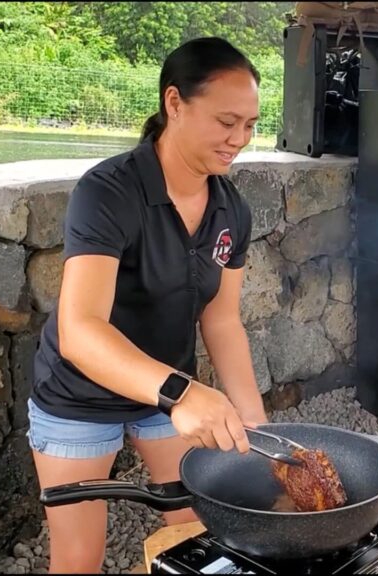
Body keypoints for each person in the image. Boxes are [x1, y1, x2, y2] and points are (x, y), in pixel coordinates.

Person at [27, 37, 268, 573]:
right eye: (227, 121)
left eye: (250, 125)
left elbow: (222, 320)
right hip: (80, 396)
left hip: (168, 394)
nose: (239, 140)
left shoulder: (232, 209)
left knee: (201, 538)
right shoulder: (108, 191)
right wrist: (182, 394)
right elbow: (80, 329)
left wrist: (256, 425)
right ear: (175, 103)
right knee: (78, 557)